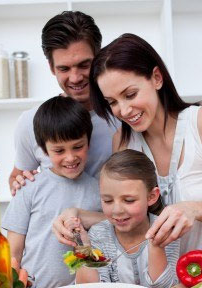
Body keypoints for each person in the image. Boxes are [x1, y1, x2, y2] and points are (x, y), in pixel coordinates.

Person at [87, 33, 202, 261]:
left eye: (130, 94)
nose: (124, 110)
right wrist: (78, 216)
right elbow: (126, 216)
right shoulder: (123, 142)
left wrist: (196, 209)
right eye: (112, 102)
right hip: (160, 287)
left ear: (157, 78)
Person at [9, 11, 119, 195]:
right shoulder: (30, 122)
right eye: (64, 68)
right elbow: (17, 176)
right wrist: (18, 183)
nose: (75, 78)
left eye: (84, 65)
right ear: (52, 67)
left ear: (99, 58)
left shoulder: (123, 114)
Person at [2, 96, 102, 288]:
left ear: (88, 142)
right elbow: (14, 252)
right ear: (44, 150)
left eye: (77, 146)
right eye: (59, 150)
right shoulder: (29, 187)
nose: (70, 157)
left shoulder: (99, 190)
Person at [67, 150, 179, 288]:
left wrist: (157, 246)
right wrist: (83, 248)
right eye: (107, 200)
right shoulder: (98, 234)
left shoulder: (166, 229)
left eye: (129, 200)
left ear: (151, 196)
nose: (117, 210)